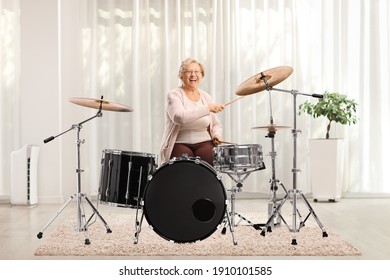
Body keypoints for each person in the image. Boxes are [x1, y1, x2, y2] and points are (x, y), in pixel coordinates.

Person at [159, 58, 225, 166]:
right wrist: (207, 109)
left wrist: (216, 134)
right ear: (181, 75)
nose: (193, 75)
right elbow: (179, 117)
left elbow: (216, 124)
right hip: (180, 142)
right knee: (185, 168)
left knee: (210, 167)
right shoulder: (174, 94)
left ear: (202, 75)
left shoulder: (206, 96)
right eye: (189, 71)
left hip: (204, 142)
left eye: (196, 72)